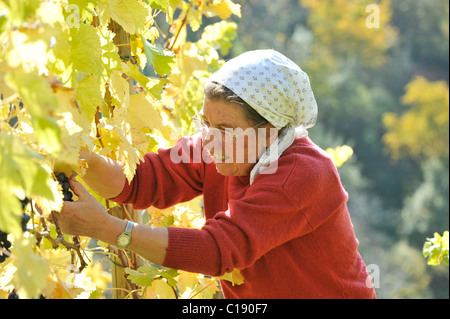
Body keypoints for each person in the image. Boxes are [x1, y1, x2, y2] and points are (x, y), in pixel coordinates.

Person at [58, 49, 376, 299]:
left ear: (268, 131)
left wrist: (107, 228)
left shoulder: (300, 175)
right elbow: (141, 180)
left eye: (225, 128)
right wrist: (78, 156)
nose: (209, 139)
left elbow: (218, 251)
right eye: (206, 123)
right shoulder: (222, 146)